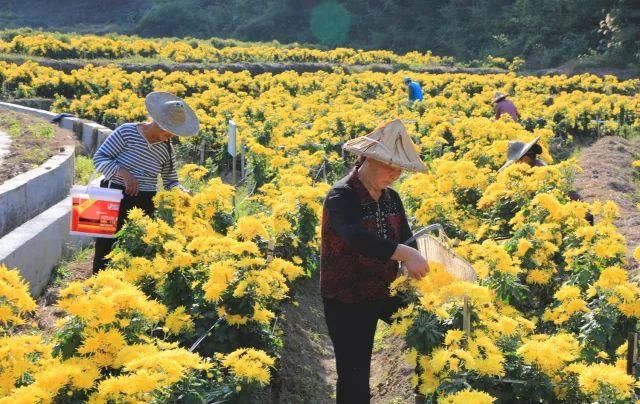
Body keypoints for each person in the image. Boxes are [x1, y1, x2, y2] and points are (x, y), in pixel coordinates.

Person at [321, 119, 429, 404]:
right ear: (367, 158)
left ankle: (426, 391)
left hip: (385, 291)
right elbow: (355, 237)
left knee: (429, 331)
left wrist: (411, 261)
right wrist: (405, 255)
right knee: (354, 374)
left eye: (399, 169)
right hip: (347, 297)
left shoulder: (392, 198)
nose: (394, 174)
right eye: (388, 166)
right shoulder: (341, 195)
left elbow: (406, 237)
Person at [91, 91, 199, 273]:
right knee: (104, 246)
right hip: (112, 194)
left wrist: (182, 191)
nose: (171, 136)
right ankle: (97, 288)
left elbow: (171, 180)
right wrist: (123, 173)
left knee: (137, 249)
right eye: (168, 131)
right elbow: (100, 157)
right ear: (157, 122)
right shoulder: (127, 132)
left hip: (144, 203)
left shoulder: (166, 149)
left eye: (174, 133)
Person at [498, 136, 593, 224]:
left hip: (579, 216)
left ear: (526, 159)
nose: (515, 165)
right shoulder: (535, 166)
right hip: (570, 213)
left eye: (517, 162)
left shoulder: (539, 171)